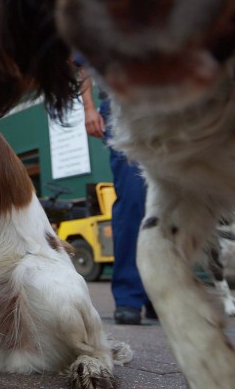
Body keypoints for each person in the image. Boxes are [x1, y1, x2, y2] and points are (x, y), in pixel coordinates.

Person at [79, 65, 157, 325]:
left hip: (166, 105)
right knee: (133, 198)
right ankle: (129, 296)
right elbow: (86, 61)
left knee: (169, 204)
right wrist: (89, 107)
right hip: (121, 108)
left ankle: (161, 294)